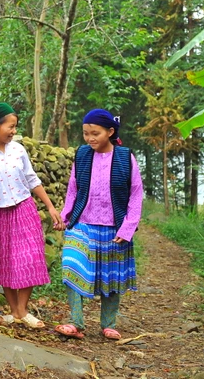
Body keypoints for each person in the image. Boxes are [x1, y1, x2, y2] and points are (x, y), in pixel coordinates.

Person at [0, 102, 64, 328]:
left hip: (23, 208)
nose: (13, 131)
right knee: (5, 262)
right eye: (10, 127)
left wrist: (50, 206)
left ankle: (22, 310)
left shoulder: (18, 150)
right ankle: (15, 312)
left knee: (30, 257)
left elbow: (32, 179)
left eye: (15, 127)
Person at [55, 109, 143, 341]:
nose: (90, 138)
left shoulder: (125, 157)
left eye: (95, 133)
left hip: (114, 227)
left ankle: (109, 324)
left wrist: (128, 228)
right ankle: (76, 322)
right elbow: (73, 187)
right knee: (72, 266)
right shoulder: (82, 155)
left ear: (110, 132)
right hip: (82, 222)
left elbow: (135, 194)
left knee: (110, 277)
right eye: (86, 133)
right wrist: (66, 216)